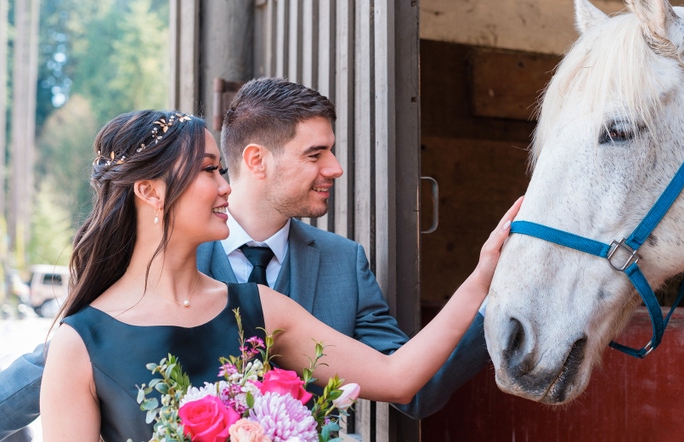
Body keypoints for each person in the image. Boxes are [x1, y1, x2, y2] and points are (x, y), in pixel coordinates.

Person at [37, 109, 520, 441]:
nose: (227, 187)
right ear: (150, 191)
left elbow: (398, 378)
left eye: (222, 169)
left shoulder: (259, 307)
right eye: (209, 171)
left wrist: (484, 274)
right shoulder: (79, 343)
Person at [197, 76, 491, 418]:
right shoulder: (176, 257)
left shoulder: (344, 262)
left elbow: (417, 386)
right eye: (315, 154)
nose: (335, 168)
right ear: (256, 160)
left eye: (330, 151)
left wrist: (493, 294)